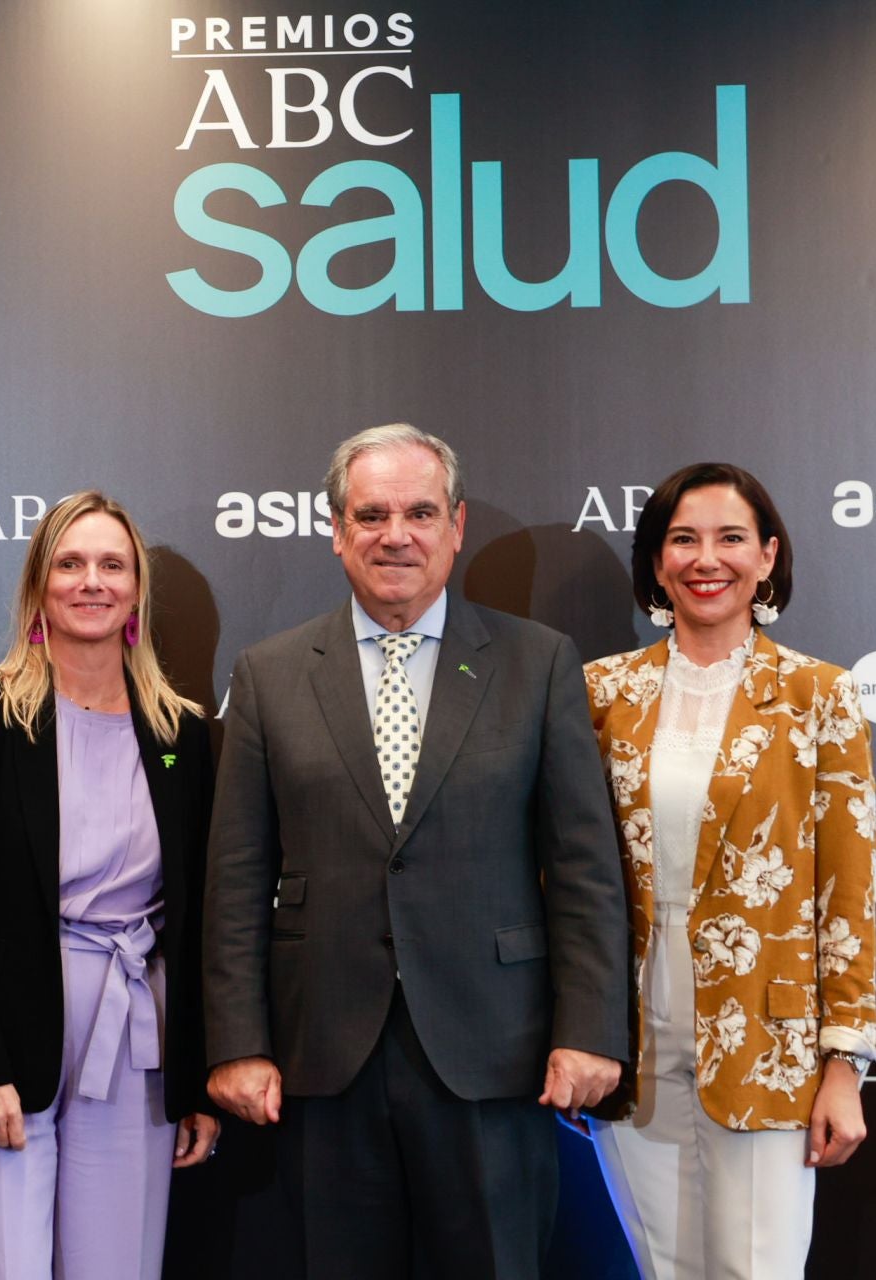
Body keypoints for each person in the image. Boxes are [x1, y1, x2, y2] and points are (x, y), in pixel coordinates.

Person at [203, 423, 631, 1279]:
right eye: (372, 514)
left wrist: (589, 1029)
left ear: (457, 525)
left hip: (495, 1052)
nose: (395, 534)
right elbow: (237, 875)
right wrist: (237, 1043)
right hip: (322, 1057)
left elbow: (584, 868)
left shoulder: (537, 662)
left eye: (420, 512)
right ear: (336, 530)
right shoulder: (270, 673)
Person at [0, 491, 221, 1280]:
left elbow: (199, 922)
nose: (91, 582)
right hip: (0, 1048)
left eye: (111, 565)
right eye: (69, 563)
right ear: (38, 587)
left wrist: (196, 1079)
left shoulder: (181, 733)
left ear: (137, 589)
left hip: (134, 1049)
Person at [583, 462, 876, 1279]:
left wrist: (844, 1064)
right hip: (629, 1037)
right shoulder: (600, 693)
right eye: (683, 539)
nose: (704, 559)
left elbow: (846, 893)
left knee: (758, 1269)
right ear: (655, 562)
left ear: (767, 556)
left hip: (769, 1036)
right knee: (665, 1266)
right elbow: (571, 876)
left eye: (729, 539)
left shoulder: (821, 695)